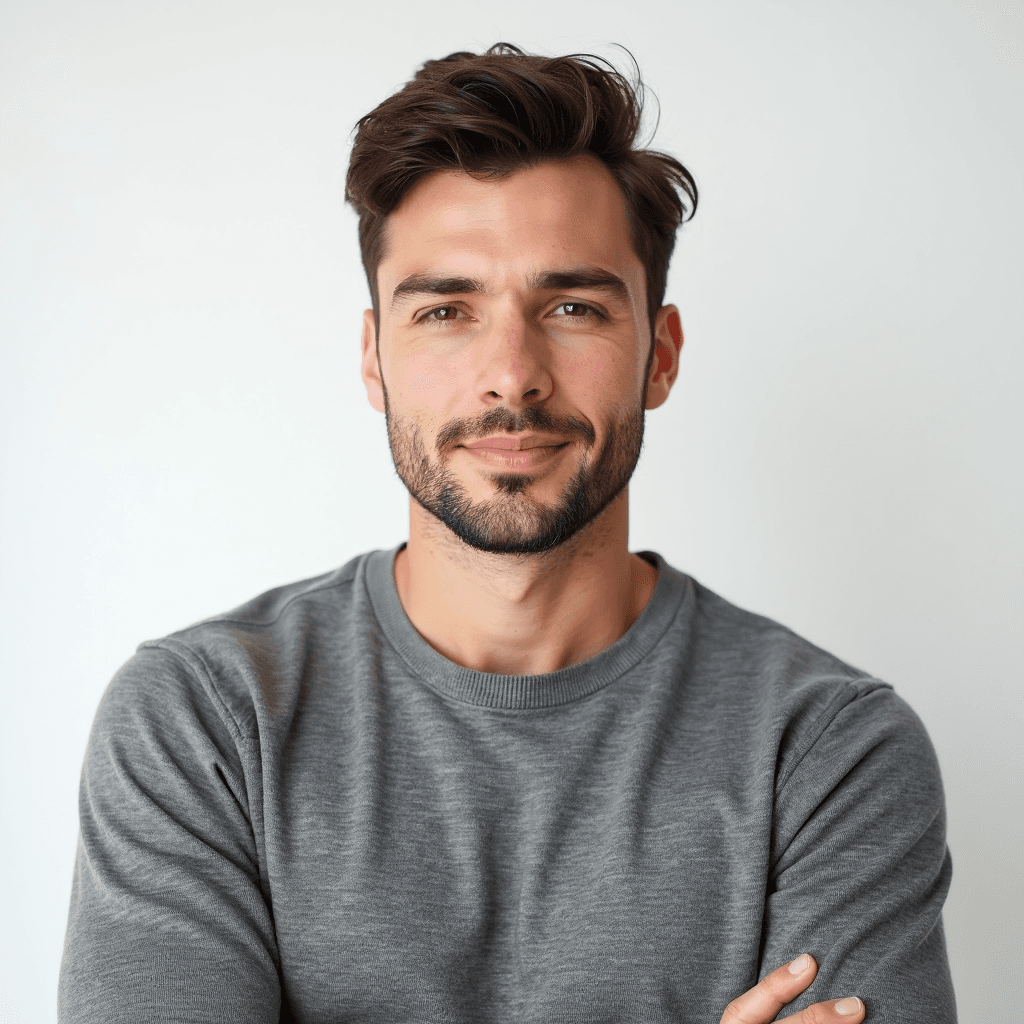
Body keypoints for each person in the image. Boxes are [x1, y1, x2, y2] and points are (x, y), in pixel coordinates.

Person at [58, 44, 957, 1023]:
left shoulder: (826, 751)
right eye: (447, 310)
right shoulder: (206, 723)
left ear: (659, 356)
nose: (510, 374)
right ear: (374, 360)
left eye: (571, 307)